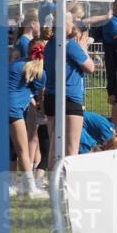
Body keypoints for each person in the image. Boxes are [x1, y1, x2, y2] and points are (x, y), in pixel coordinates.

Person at [43, 16, 95, 168]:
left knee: (54, 146)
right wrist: (84, 47)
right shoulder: (70, 45)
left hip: (51, 97)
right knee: (71, 148)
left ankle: (52, 183)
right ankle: (67, 185)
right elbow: (90, 67)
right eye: (71, 22)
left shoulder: (50, 45)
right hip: (70, 99)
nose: (73, 25)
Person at [8, 41, 47, 197]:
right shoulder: (41, 73)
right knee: (23, 150)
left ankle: (10, 184)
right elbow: (40, 96)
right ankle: (31, 188)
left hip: (1, 108)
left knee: (11, 148)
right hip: (14, 110)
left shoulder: (16, 64)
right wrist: (43, 112)